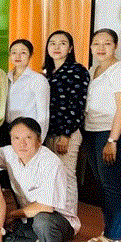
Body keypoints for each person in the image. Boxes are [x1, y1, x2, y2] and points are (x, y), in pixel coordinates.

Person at [0, 117, 80, 242]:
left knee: (43, 221)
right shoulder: (7, 153)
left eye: (28, 138)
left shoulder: (50, 162)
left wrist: (11, 214)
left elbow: (45, 207)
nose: (21, 143)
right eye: (16, 138)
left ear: (39, 140)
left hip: (59, 220)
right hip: (27, 218)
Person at [82, 29, 121, 242]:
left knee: (112, 185)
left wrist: (112, 140)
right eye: (96, 43)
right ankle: (108, 232)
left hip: (110, 133)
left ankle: (114, 236)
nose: (101, 48)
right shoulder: (93, 70)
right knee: (103, 185)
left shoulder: (120, 69)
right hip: (92, 131)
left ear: (115, 46)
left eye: (107, 43)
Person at [42, 30, 89, 224]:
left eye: (62, 43)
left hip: (65, 133)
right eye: (52, 43)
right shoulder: (46, 73)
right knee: (50, 178)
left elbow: (77, 104)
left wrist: (65, 134)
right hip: (47, 133)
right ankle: (53, 220)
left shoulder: (77, 70)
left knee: (66, 177)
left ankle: (69, 221)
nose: (56, 47)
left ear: (70, 49)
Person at [6, 39, 49, 144]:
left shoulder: (38, 79)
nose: (18, 56)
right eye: (14, 52)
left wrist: (39, 140)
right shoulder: (5, 78)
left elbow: (43, 114)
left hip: (28, 132)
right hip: (7, 131)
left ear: (30, 55)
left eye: (23, 53)